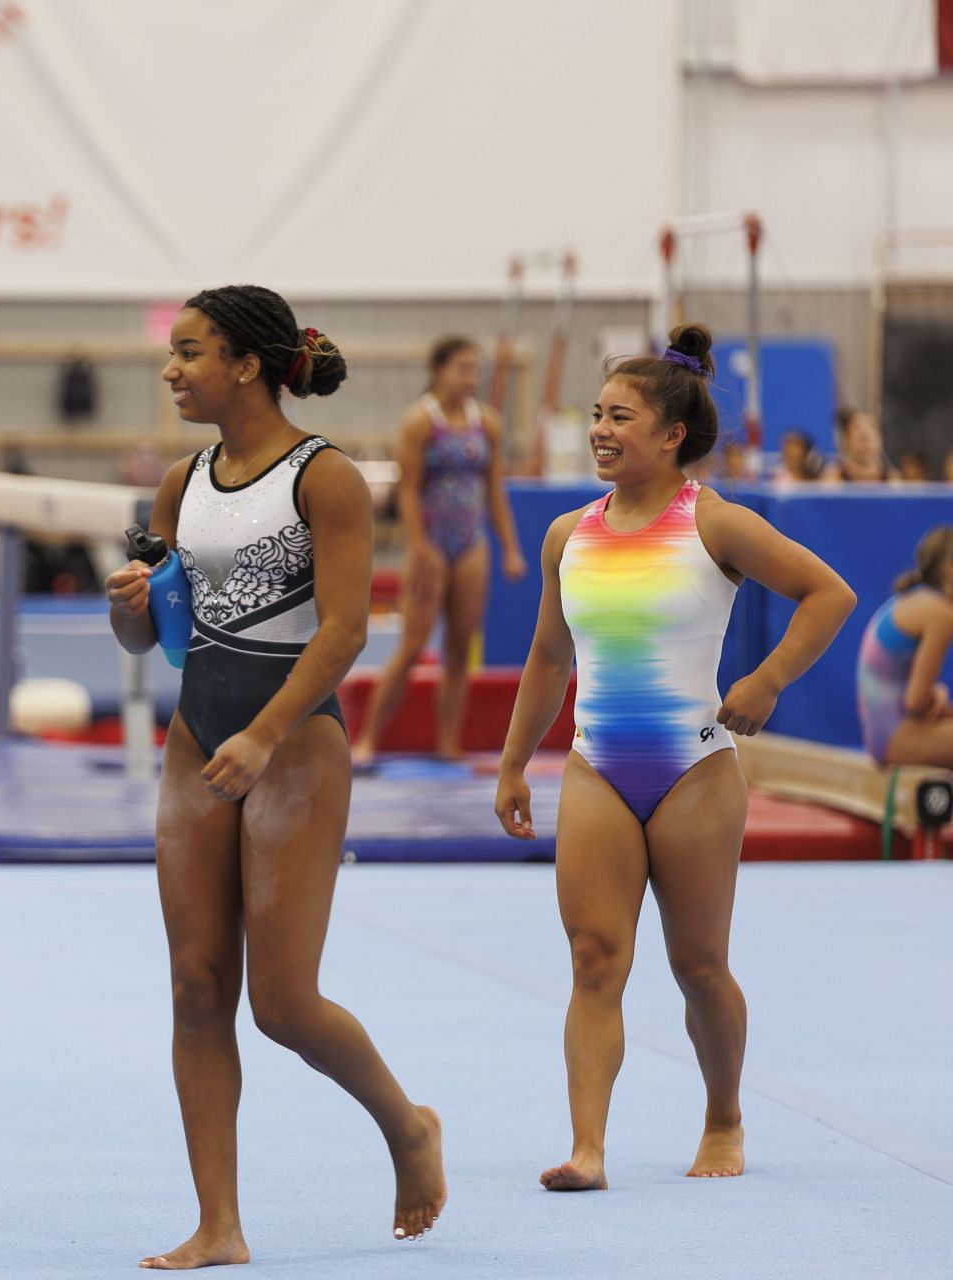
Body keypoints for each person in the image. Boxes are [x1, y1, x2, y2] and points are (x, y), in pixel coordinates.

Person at [106, 285, 446, 1268]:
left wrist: (264, 732)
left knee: (283, 1002)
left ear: (248, 363)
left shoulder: (325, 477)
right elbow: (154, 639)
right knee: (195, 983)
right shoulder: (183, 481)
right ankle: (220, 1222)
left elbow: (344, 627)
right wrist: (129, 600)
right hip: (199, 730)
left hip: (292, 742)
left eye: (190, 351)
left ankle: (407, 1125)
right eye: (171, 352)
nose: (171, 369)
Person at [494, 324, 855, 1192]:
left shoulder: (715, 522)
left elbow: (828, 594)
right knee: (593, 957)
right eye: (596, 414)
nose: (600, 430)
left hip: (695, 770)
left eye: (621, 415)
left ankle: (723, 1113)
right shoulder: (564, 537)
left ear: (671, 436)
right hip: (596, 767)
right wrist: (513, 764)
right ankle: (588, 1148)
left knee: (697, 966)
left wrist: (766, 681)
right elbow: (549, 660)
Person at [352, 337, 526, 765]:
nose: (472, 377)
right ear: (438, 370)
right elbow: (407, 492)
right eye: (462, 368)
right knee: (412, 646)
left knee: (459, 647)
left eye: (476, 369)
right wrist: (420, 545)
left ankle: (449, 742)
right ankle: (367, 738)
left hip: (471, 543)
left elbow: (493, 491)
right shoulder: (420, 421)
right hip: (430, 542)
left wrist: (510, 548)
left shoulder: (486, 422)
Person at [856, 527, 953, 767]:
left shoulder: (914, 598)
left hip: (883, 733)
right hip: (894, 737)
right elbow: (916, 702)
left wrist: (935, 695)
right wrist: (937, 699)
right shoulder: (939, 613)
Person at [823, 407, 894, 483]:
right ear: (846, 439)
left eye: (871, 427)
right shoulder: (833, 478)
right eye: (856, 428)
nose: (865, 432)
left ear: (880, 438)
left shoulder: (892, 481)